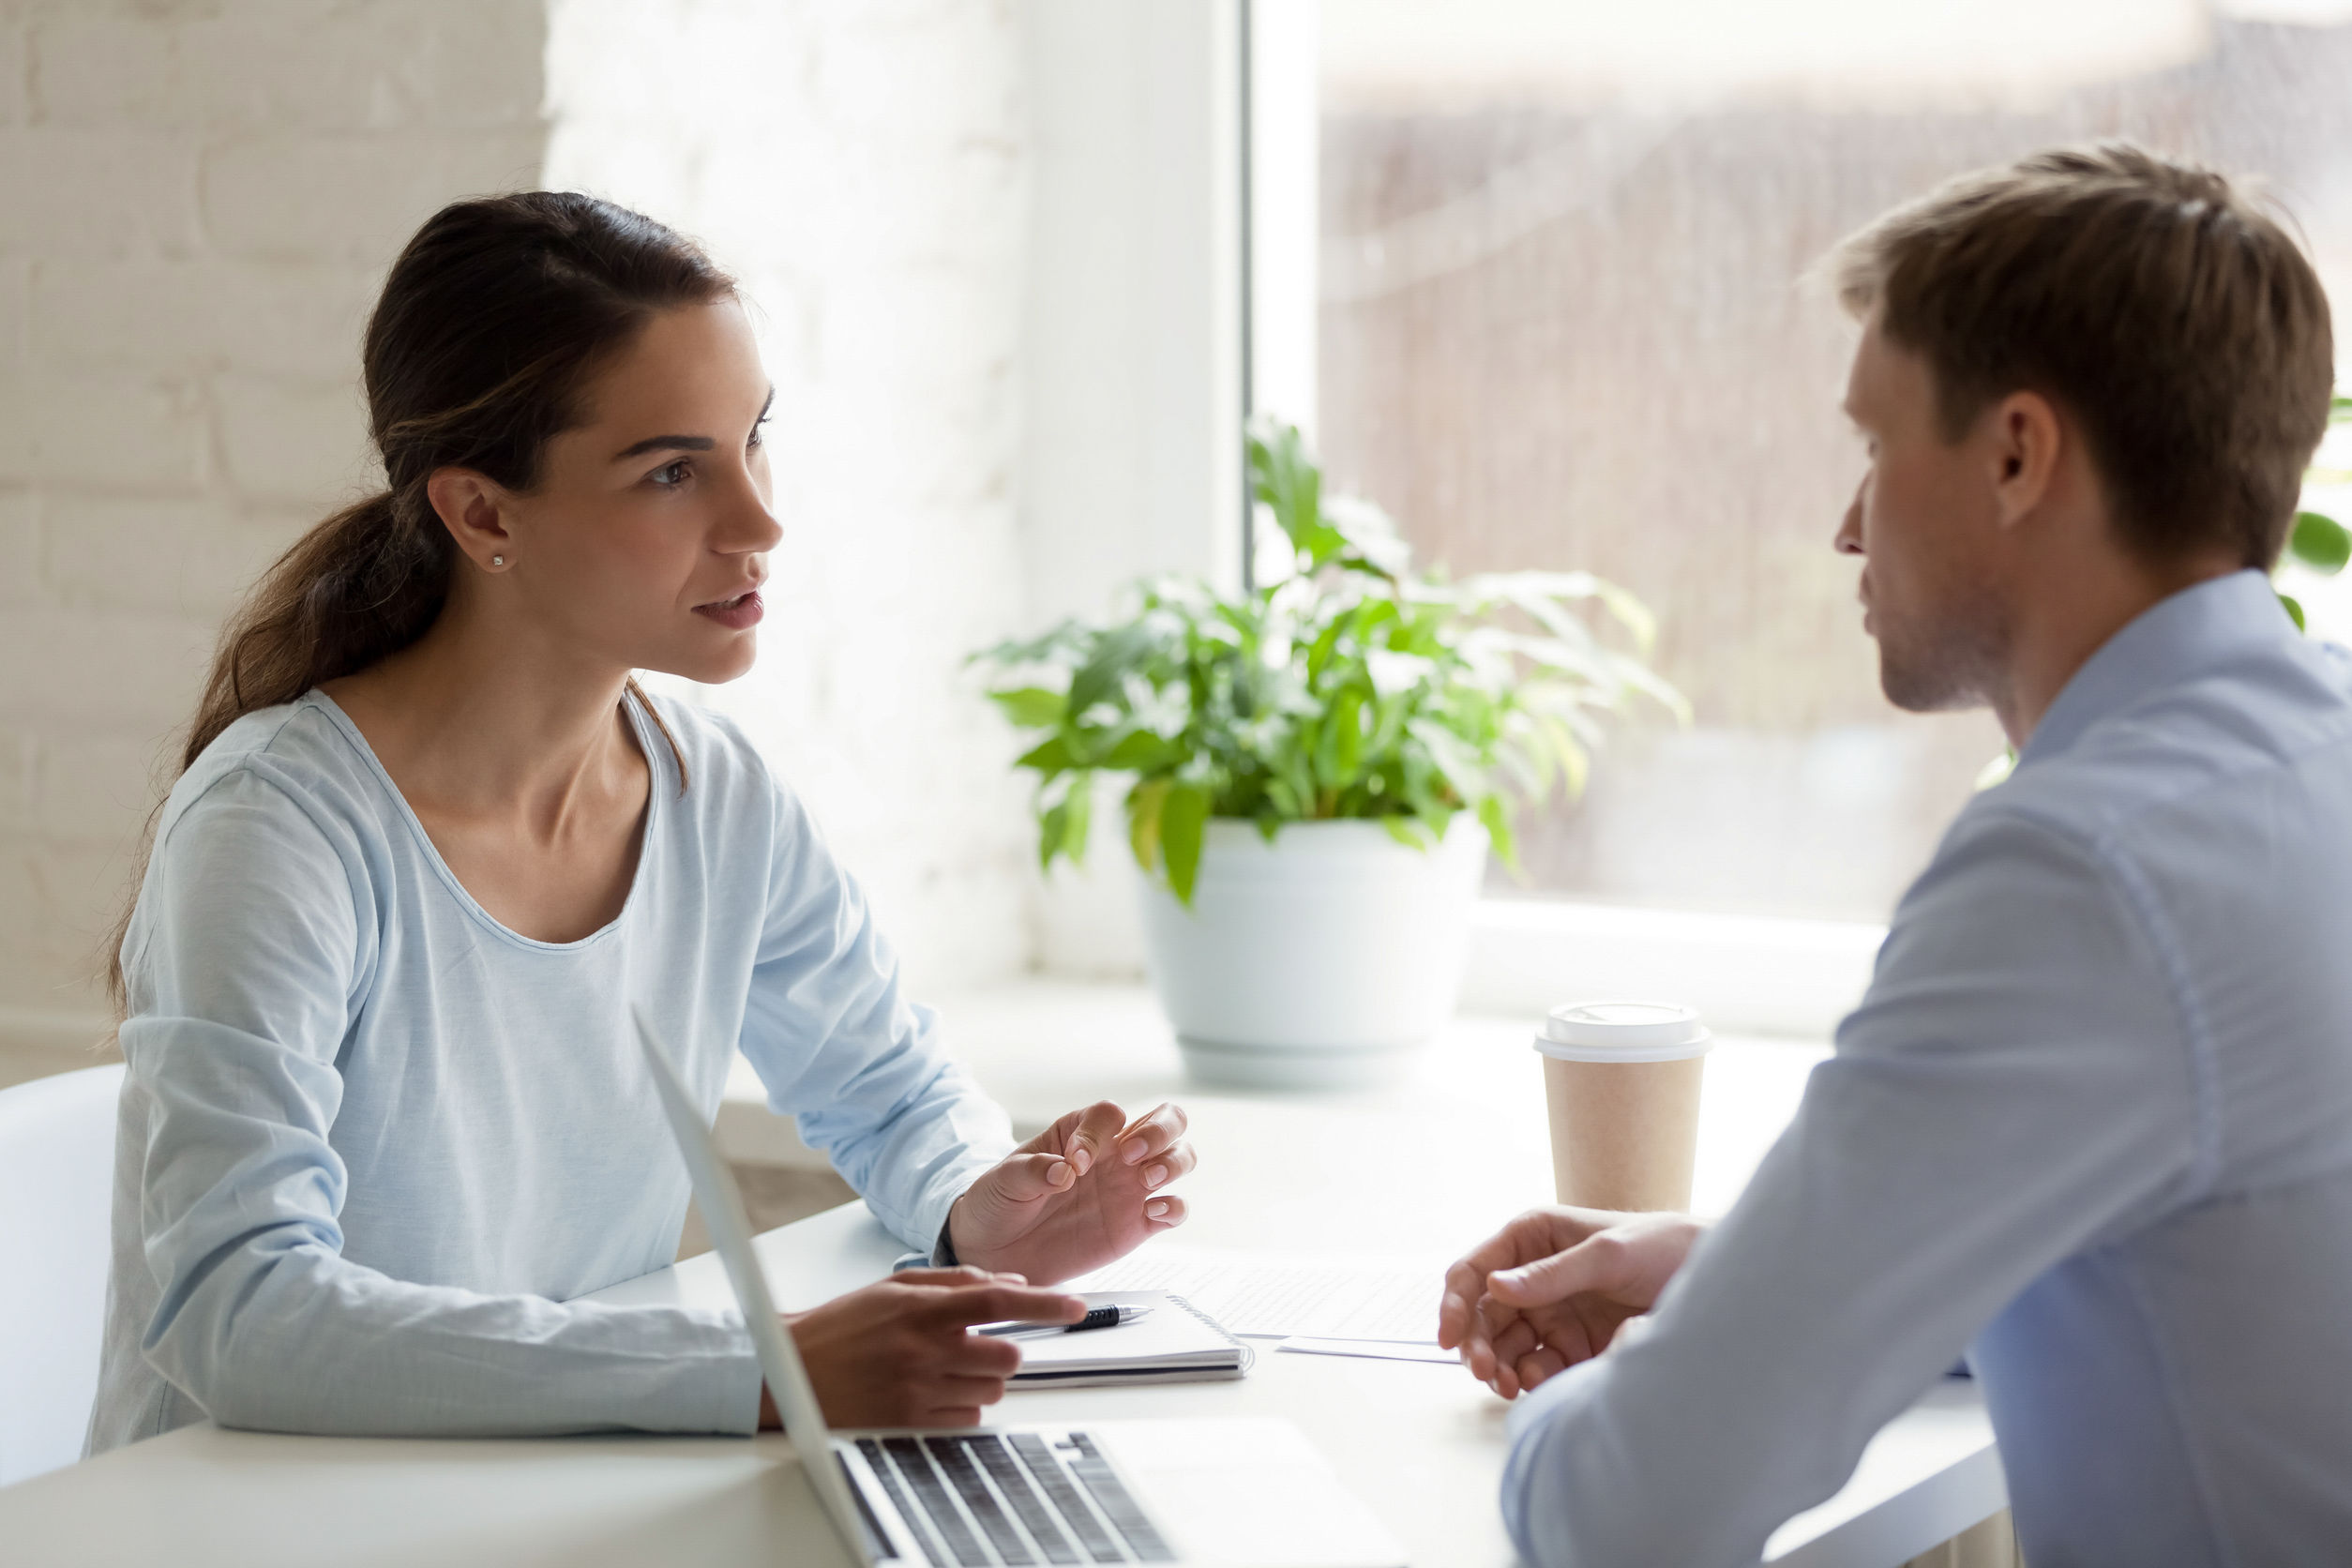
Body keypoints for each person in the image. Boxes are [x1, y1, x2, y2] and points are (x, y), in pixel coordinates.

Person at [88, 192, 1195, 1453]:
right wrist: (759, 1372)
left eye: (753, 441)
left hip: (532, 1495)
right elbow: (242, 1313)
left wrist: (974, 1203)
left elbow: (888, 1092)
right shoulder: (275, 832)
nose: (760, 522)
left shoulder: (712, 798)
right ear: (484, 514)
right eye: (673, 471)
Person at [1439, 143, 2352, 1564]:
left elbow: (1632, 1511)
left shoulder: (2083, 871)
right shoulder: (2315, 757)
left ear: (2015, 454)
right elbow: (2231, 1266)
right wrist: (1741, 1281)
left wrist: (1678, 1379)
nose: (1845, 524)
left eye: (1874, 443)